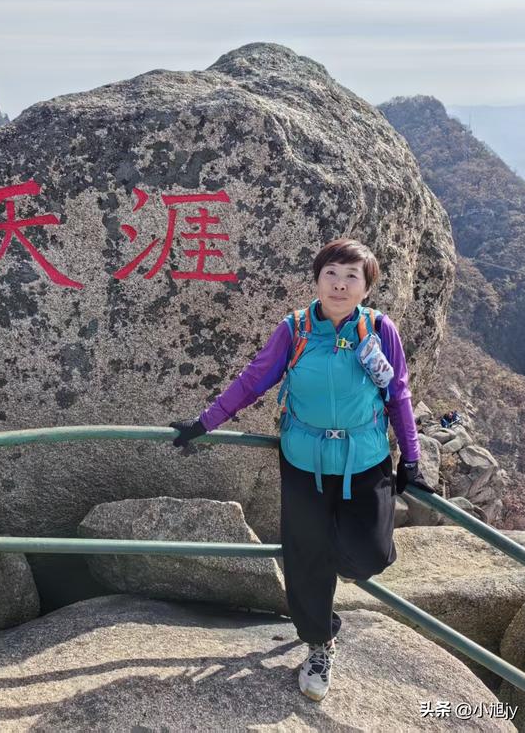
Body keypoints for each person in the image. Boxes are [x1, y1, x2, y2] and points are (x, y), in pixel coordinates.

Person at [170, 238, 435, 702]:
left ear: (366, 287)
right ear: (317, 279)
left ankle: (326, 557)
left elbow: (399, 396)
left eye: (352, 276)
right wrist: (205, 422)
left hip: (366, 460)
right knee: (305, 558)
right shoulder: (294, 329)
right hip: (303, 462)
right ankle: (319, 641)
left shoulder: (378, 330)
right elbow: (254, 379)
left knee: (368, 555)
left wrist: (411, 458)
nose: (339, 283)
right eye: (332, 273)